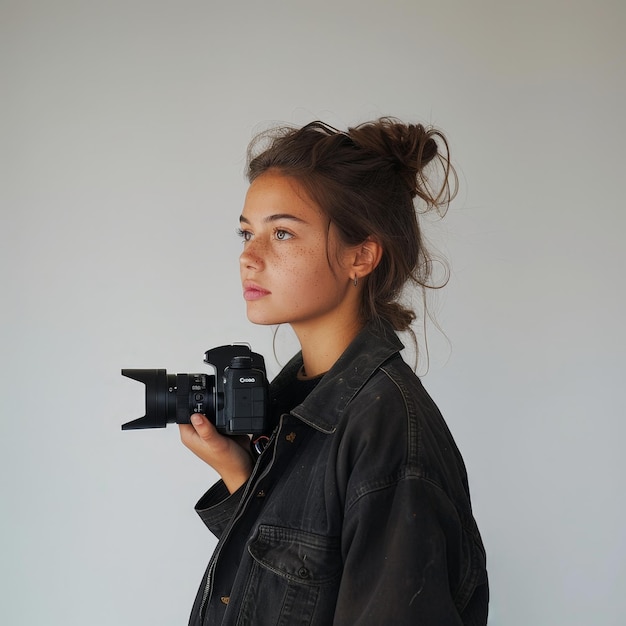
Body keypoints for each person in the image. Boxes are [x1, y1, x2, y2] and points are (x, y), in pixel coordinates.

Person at [179, 118, 488, 625]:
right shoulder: (296, 408)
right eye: (246, 233)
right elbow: (296, 588)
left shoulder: (385, 431)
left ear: (361, 255)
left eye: (281, 233)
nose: (248, 258)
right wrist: (239, 474)